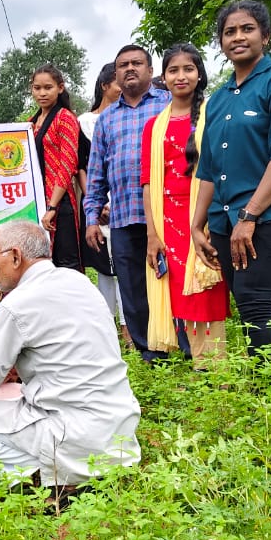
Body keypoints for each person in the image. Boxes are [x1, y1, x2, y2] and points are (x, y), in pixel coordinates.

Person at [0, 222, 141, 497]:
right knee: (10, 391)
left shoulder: (16, 303)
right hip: (119, 427)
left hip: (72, 434)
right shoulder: (79, 281)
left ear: (16, 257)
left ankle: (34, 474)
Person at [191, 0, 271, 356]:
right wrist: (197, 226)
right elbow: (208, 168)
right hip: (224, 220)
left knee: (256, 302)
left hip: (269, 216)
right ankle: (263, 382)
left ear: (266, 36)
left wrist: (249, 216)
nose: (238, 37)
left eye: (247, 29)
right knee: (246, 306)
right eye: (229, 32)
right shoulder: (217, 100)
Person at [141, 43, 230, 367]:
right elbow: (148, 183)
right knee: (182, 292)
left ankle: (217, 367)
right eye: (173, 70)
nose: (181, 76)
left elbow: (223, 168)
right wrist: (152, 235)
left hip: (206, 215)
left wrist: (209, 221)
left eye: (188, 69)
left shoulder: (214, 115)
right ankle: (200, 363)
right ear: (163, 77)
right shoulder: (153, 127)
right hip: (168, 221)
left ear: (199, 74)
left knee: (207, 288)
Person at [84, 45, 174, 362]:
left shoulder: (170, 104)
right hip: (123, 216)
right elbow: (96, 173)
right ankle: (150, 353)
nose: (130, 68)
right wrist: (91, 218)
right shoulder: (106, 119)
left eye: (137, 63)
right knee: (132, 289)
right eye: (123, 65)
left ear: (150, 70)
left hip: (167, 215)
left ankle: (183, 347)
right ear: (116, 74)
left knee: (173, 281)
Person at [77, 63, 127, 342]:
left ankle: (130, 329)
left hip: (125, 200)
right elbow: (82, 167)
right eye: (118, 82)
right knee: (104, 269)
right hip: (97, 202)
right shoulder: (84, 122)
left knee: (126, 265)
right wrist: (94, 204)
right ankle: (109, 329)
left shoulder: (127, 116)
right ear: (105, 85)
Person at [28, 64, 83, 270]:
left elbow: (68, 164)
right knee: (41, 263)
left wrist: (52, 207)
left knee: (66, 263)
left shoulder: (65, 118)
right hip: (38, 202)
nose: (42, 93)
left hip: (60, 200)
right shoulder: (31, 123)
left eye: (48, 87)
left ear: (60, 88)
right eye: (37, 88)